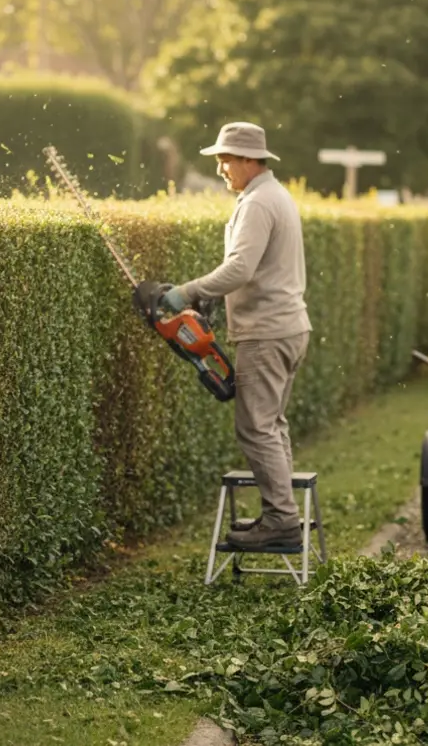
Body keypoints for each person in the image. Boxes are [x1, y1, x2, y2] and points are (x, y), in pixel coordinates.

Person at [159, 121, 312, 548]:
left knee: (255, 428)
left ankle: (281, 521)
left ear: (248, 159)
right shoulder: (271, 196)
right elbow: (254, 270)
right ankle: (281, 514)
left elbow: (240, 268)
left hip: (267, 332)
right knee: (271, 425)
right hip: (287, 327)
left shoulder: (259, 202)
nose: (221, 167)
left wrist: (187, 292)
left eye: (225, 159)